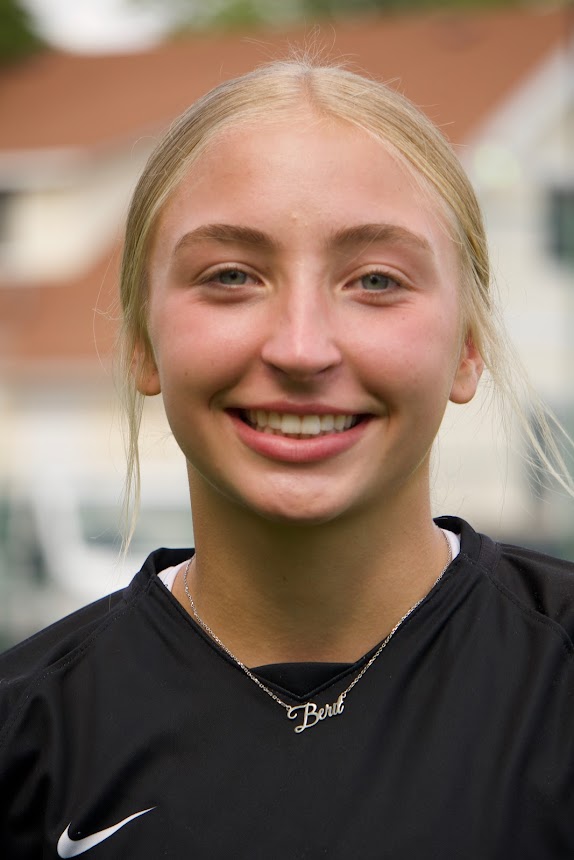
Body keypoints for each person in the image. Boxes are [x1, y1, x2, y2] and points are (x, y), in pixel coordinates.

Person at [1, 57, 573, 859]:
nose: (302, 348)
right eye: (232, 276)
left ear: (469, 347)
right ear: (142, 344)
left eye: (376, 281)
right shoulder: (27, 737)